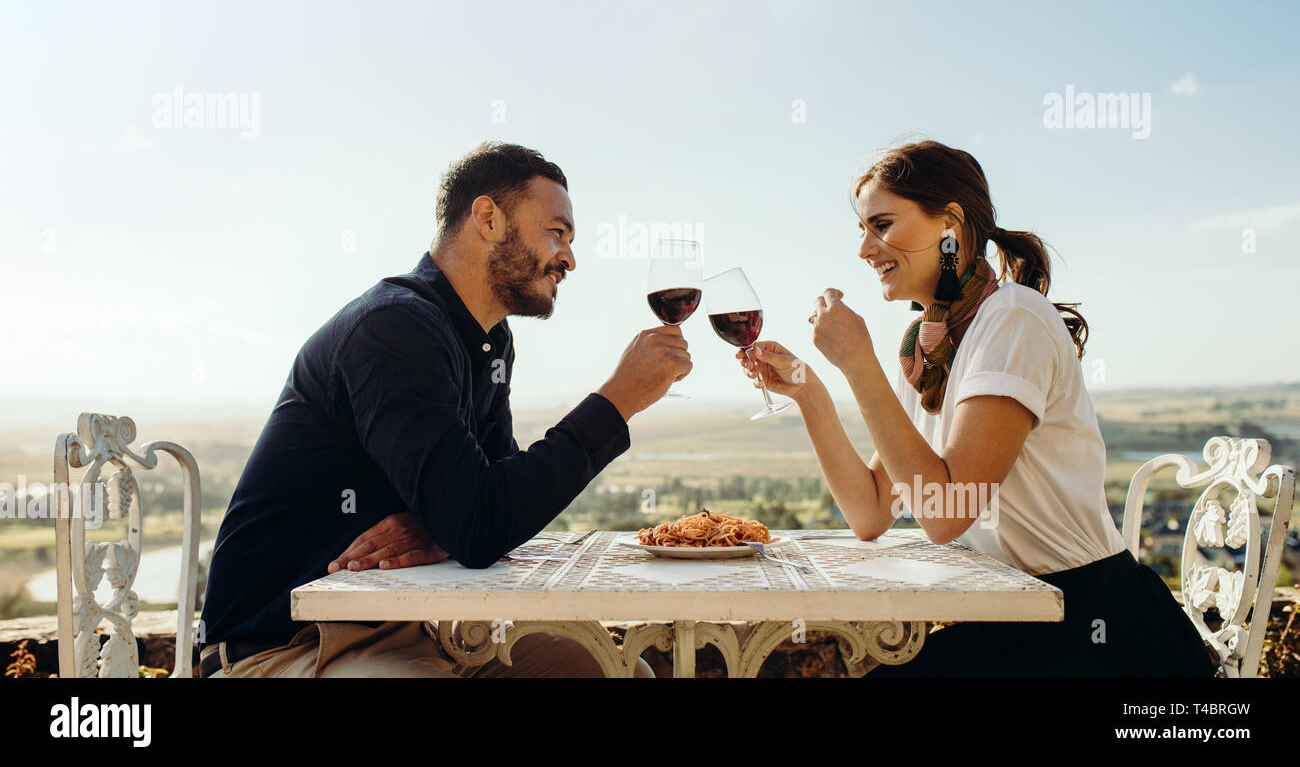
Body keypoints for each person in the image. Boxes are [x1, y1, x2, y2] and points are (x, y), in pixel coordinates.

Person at [199, 142, 690, 677]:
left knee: (619, 671)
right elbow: (482, 525)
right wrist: (618, 401)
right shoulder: (393, 328)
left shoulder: (490, 341)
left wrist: (443, 524)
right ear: (488, 219)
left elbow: (494, 502)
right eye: (556, 232)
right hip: (286, 646)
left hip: (409, 626)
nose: (569, 257)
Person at [737, 140, 1216, 677]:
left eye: (883, 225)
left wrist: (859, 364)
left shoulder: (1013, 319)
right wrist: (810, 392)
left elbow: (945, 512)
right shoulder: (927, 345)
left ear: (951, 223)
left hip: (1091, 628)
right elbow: (871, 512)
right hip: (1013, 621)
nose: (865, 250)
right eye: (863, 230)